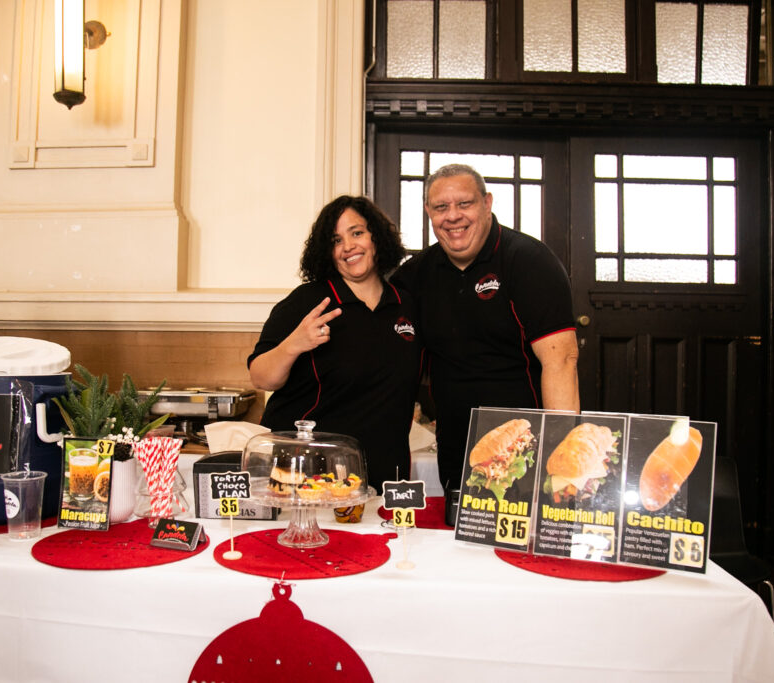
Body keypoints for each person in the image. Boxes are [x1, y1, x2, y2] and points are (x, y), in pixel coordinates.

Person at [391, 163, 579, 494]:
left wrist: (562, 457)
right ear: (429, 212)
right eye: (441, 207)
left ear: (487, 203)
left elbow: (561, 361)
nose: (453, 216)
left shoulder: (530, 261)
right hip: (456, 443)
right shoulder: (414, 275)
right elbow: (395, 355)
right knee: (458, 525)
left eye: (464, 203)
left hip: (524, 443)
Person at [248, 195, 423, 492]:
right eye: (336, 240)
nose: (348, 246)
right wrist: (294, 344)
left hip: (385, 471)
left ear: (376, 238)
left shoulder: (406, 304)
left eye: (357, 233)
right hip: (310, 476)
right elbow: (261, 377)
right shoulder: (308, 301)